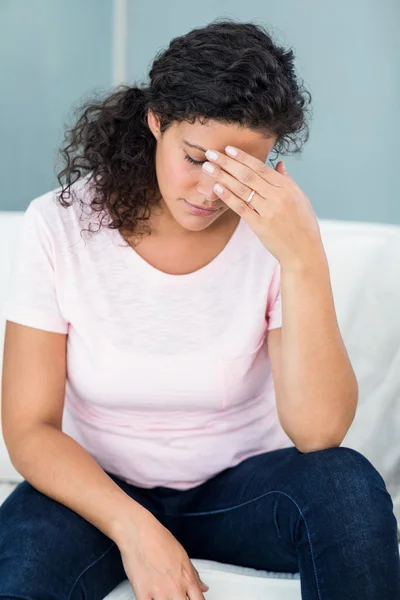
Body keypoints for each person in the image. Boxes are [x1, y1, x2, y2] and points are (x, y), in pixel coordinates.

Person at [0, 18, 399, 600]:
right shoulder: (57, 225)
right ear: (156, 122)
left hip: (238, 493)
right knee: (24, 567)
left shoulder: (275, 236)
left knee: (348, 487)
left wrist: (304, 259)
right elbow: (29, 429)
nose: (212, 190)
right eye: (195, 157)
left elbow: (319, 433)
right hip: (99, 489)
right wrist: (137, 530)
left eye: (240, 168)